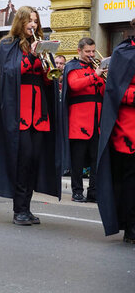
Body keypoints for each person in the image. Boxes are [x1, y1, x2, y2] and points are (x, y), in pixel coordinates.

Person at [0, 6, 62, 226]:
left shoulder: (41, 44)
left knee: (34, 160)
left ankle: (26, 208)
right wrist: (32, 55)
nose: (33, 25)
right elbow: (11, 73)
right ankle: (19, 209)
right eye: (30, 20)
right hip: (19, 111)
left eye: (36, 21)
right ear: (21, 22)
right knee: (23, 160)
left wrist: (49, 68)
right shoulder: (7, 45)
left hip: (39, 111)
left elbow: (48, 79)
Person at [96, 26, 135, 244]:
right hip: (129, 126)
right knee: (129, 180)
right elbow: (114, 88)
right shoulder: (124, 52)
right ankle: (131, 227)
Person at [60, 38, 104, 204]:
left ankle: (93, 191)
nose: (91, 55)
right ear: (79, 51)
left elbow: (104, 90)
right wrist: (95, 75)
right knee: (77, 160)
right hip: (78, 121)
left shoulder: (96, 67)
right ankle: (76, 191)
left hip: (96, 120)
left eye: (93, 51)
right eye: (88, 52)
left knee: (96, 159)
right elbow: (74, 85)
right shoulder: (72, 66)